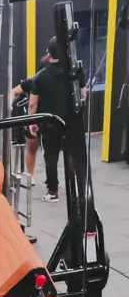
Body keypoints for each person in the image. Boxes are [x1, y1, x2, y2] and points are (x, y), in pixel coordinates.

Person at [29, 36, 87, 202]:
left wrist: (32, 122)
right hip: (70, 121)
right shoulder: (74, 72)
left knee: (51, 158)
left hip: (50, 123)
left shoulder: (40, 77)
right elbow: (83, 95)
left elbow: (32, 104)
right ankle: (76, 189)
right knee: (72, 154)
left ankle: (52, 192)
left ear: (49, 53)